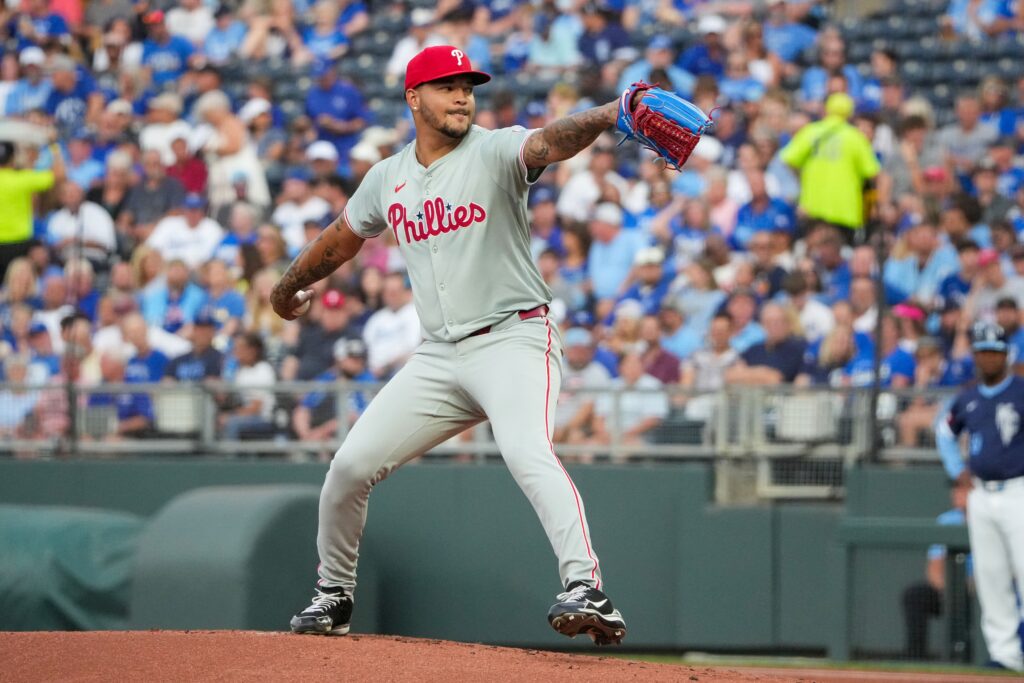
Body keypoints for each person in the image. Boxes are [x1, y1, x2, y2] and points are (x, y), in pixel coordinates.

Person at [272, 45, 628, 643]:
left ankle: (586, 586)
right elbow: (341, 238)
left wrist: (607, 113)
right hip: (439, 355)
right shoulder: (387, 177)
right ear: (414, 98)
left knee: (527, 451)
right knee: (349, 468)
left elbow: (548, 142)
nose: (462, 96)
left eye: (468, 86)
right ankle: (334, 593)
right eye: (447, 86)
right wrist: (287, 287)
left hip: (514, 336)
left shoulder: (494, 150)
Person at [936, 322, 1024, 671]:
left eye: (994, 352)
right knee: (991, 573)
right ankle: (1004, 653)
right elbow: (944, 431)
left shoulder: (1020, 391)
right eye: (982, 352)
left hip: (1018, 489)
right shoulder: (968, 397)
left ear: (1005, 355)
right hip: (982, 493)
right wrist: (956, 468)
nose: (988, 358)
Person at [779, 92, 880, 242]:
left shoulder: (810, 131)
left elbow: (788, 159)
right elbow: (872, 173)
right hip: (846, 210)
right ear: (850, 114)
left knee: (815, 249)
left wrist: (801, 179)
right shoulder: (855, 137)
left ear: (825, 110)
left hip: (812, 207)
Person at [901, 479, 972, 661]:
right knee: (915, 595)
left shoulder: (994, 520)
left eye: (963, 489)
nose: (956, 493)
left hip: (984, 593)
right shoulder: (947, 520)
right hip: (951, 591)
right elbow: (934, 569)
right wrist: (952, 593)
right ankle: (915, 662)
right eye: (955, 489)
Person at [0, 138, 64, 279]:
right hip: (19, 241)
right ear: (12, 159)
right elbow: (59, 174)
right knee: (19, 283)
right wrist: (54, 146)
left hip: (15, 241)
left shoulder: (22, 178)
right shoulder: (22, 179)